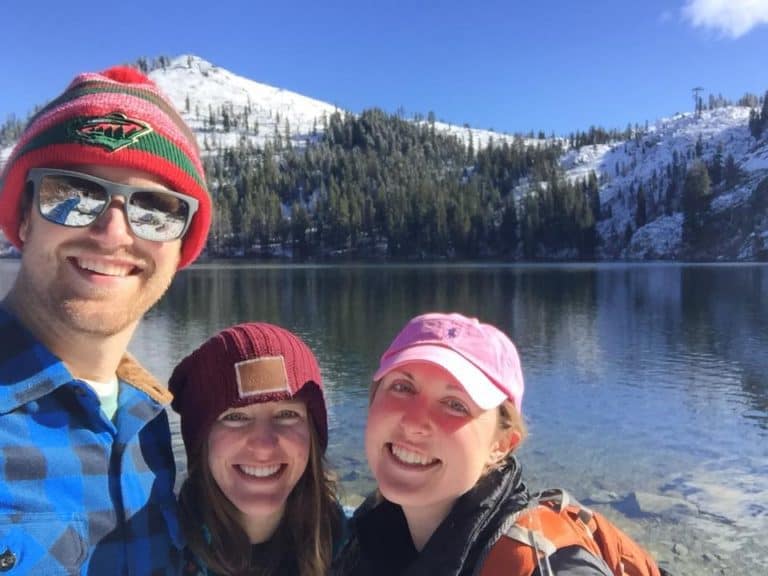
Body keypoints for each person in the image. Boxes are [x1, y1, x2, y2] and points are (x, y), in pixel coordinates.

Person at [0, 65, 211, 574]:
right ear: (24, 216)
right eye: (71, 195)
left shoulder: (150, 421)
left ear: (180, 247)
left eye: (156, 210)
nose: (112, 233)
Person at [334, 312, 663, 576]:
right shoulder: (370, 532)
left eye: (455, 404)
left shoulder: (544, 565)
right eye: (402, 387)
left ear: (502, 445)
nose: (414, 422)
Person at [168, 322, 345, 576]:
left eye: (286, 414)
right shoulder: (157, 552)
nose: (263, 445)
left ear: (312, 435)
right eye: (236, 417)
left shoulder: (355, 550)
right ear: (201, 441)